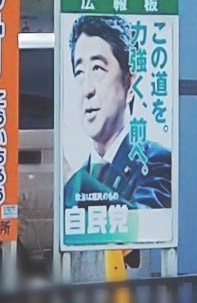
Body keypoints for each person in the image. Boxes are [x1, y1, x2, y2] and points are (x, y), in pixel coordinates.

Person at [56, 14, 172, 230]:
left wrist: (73, 179)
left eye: (98, 69)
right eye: (79, 72)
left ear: (130, 83)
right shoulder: (78, 177)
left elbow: (145, 226)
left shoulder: (156, 161)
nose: (87, 89)